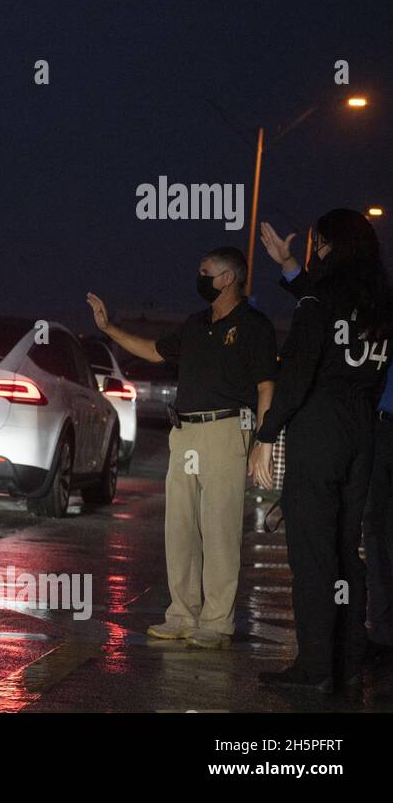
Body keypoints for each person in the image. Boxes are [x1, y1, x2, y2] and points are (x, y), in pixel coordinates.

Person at [87, 247, 276, 649]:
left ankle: (217, 622)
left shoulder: (255, 326)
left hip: (226, 430)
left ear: (227, 278)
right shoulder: (196, 324)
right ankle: (182, 614)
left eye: (205, 271)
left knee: (220, 529)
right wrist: (109, 328)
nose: (199, 277)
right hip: (186, 433)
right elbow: (155, 351)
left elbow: (265, 386)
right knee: (181, 528)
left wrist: (263, 440)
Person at [252, 210, 392, 691]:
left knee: (312, 553)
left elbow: (297, 370)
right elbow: (334, 314)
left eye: (316, 244)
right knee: (346, 552)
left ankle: (315, 669)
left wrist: (267, 435)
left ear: (327, 245)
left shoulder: (319, 296)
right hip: (362, 429)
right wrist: (291, 265)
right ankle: (348, 661)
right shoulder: (380, 299)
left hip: (321, 425)